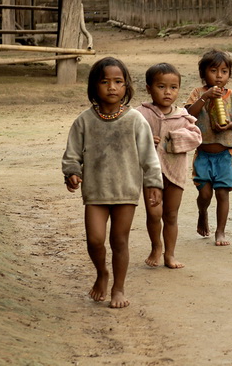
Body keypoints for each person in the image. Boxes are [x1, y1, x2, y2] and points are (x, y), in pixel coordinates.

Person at [62, 57, 163, 308]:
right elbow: (72, 153)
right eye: (104, 82)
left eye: (118, 82)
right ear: (93, 87)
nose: (111, 87)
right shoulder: (84, 120)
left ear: (127, 87)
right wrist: (72, 171)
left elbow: (149, 156)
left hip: (125, 191)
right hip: (95, 191)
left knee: (119, 240)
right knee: (95, 240)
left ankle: (118, 288)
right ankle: (101, 274)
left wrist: (153, 183)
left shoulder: (135, 120)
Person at [136, 63, 202, 269]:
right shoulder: (140, 114)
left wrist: (173, 139)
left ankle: (170, 254)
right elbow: (128, 137)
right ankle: (156, 246)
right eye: (161, 86)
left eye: (173, 87)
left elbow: (196, 137)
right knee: (154, 214)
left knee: (171, 215)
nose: (168, 92)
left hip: (174, 172)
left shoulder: (182, 116)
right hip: (151, 173)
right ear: (149, 88)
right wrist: (145, 139)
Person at [184, 49, 232, 245]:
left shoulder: (231, 95)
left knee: (222, 193)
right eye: (213, 71)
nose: (219, 76)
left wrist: (229, 125)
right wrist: (206, 97)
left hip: (224, 154)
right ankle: (202, 211)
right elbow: (189, 115)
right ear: (204, 74)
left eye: (224, 71)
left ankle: (220, 231)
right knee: (205, 194)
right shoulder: (197, 93)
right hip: (203, 154)